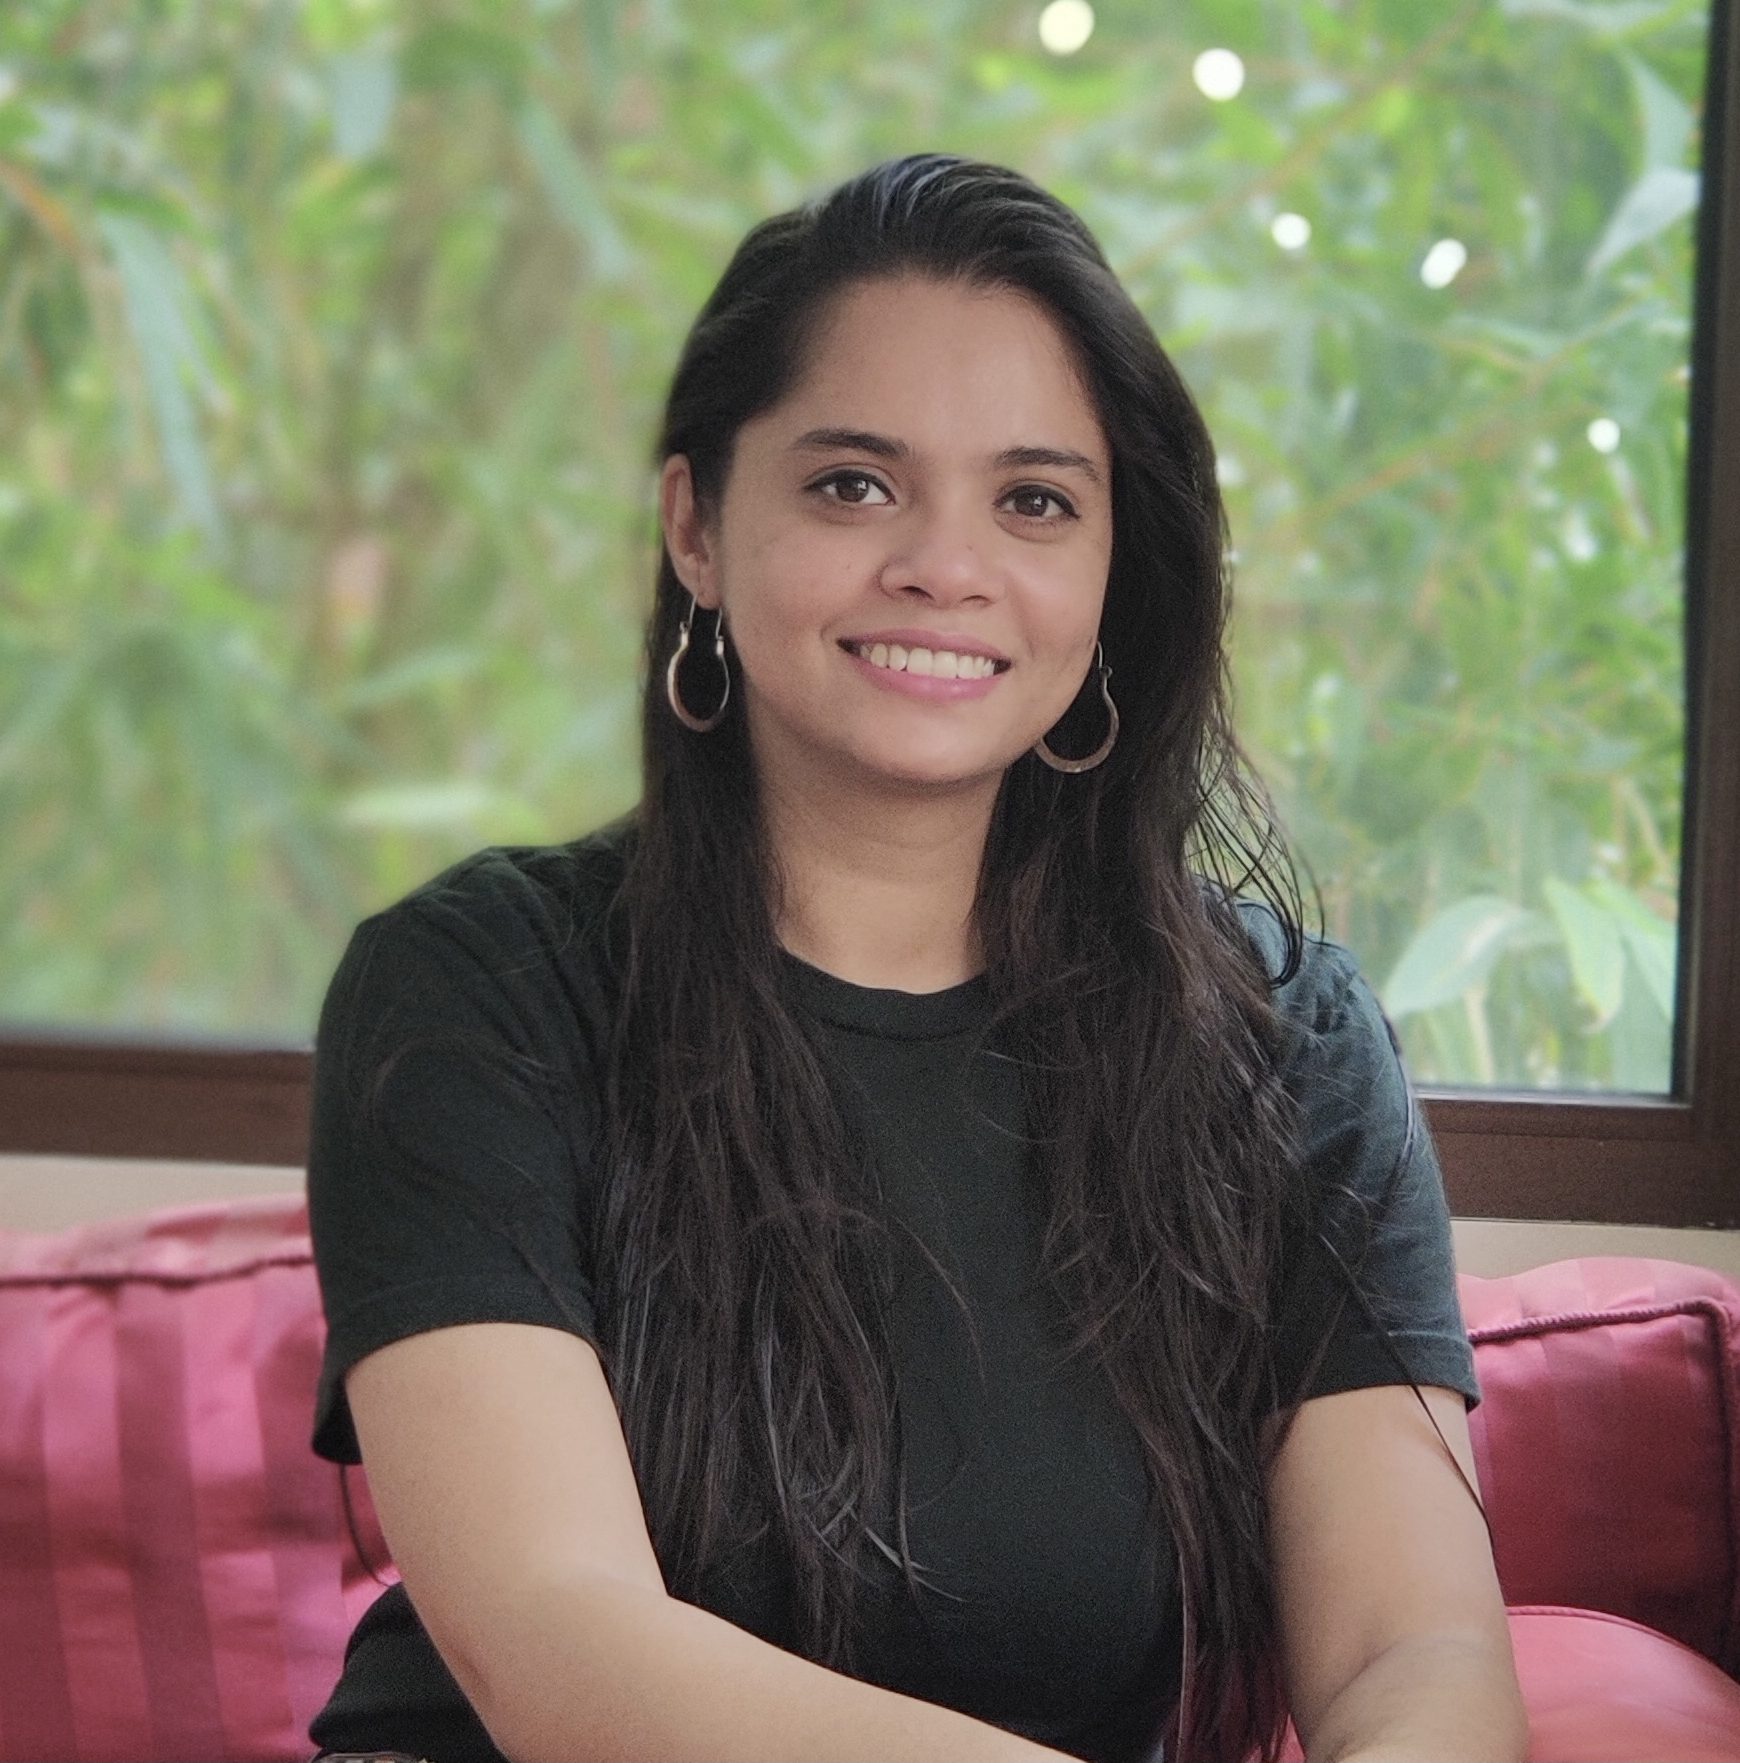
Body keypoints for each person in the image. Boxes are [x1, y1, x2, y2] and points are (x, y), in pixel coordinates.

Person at [305, 155, 1526, 1763]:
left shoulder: (1282, 1040)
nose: (945, 567)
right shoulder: (480, 989)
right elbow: (559, 1639)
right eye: (852, 485)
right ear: (695, 525)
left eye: (1034, 501)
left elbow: (1409, 1645)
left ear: (1113, 567)